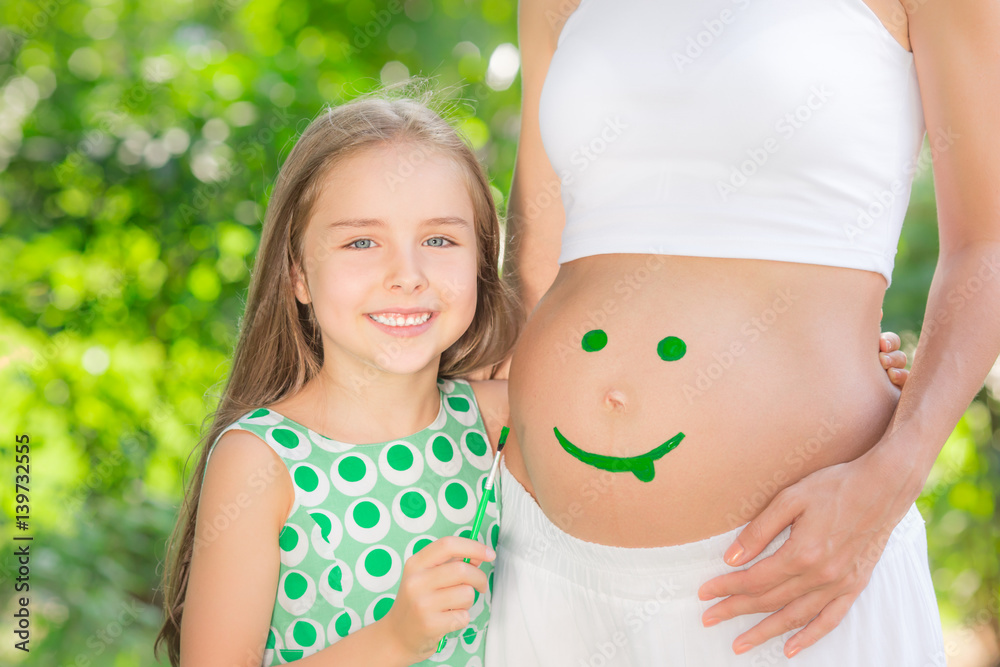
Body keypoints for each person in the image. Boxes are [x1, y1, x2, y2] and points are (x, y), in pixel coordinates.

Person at [486, 0, 999, 665]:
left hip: (795, 572)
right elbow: (534, 252)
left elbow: (987, 245)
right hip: (539, 555)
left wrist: (894, 475)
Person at [154, 86, 521, 667]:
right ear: (297, 274)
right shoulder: (262, 461)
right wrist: (394, 640)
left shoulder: (501, 421)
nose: (408, 274)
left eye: (439, 239)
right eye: (361, 241)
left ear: (479, 262)